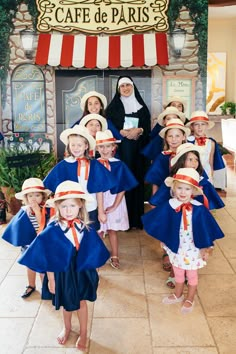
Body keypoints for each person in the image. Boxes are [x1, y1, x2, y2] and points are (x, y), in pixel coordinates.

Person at [18, 181, 110, 350]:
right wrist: (51, 279)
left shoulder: (85, 229)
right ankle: (66, 328)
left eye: (72, 206)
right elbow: (49, 256)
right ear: (58, 207)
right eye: (64, 206)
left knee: (82, 302)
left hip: (81, 272)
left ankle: (83, 333)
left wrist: (94, 271)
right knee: (66, 303)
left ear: (80, 205)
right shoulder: (53, 230)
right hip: (62, 273)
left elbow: (94, 253)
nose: (68, 210)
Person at [142, 168, 224, 313]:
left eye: (187, 189)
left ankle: (190, 298)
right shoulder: (170, 205)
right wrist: (164, 239)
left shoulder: (199, 209)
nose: (183, 192)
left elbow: (207, 230)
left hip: (194, 249)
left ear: (193, 191)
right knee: (178, 271)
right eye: (179, 188)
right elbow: (163, 224)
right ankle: (178, 294)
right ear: (174, 189)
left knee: (191, 275)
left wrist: (208, 248)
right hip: (176, 247)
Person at [149, 143, 225, 289]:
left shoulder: (202, 182)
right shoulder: (174, 181)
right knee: (174, 246)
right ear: (181, 160)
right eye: (190, 159)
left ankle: (190, 274)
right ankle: (174, 273)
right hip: (176, 220)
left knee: (193, 247)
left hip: (194, 221)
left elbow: (207, 204)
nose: (194, 163)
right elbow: (160, 199)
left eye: (196, 160)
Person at [43, 125, 116, 231]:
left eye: (79, 145)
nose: (76, 148)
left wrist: (101, 212)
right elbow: (51, 185)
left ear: (86, 146)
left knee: (90, 236)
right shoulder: (64, 165)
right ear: (68, 145)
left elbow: (99, 190)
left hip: (90, 207)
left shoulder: (94, 165)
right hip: (71, 209)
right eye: (73, 145)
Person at [106, 76, 151, 229]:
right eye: (122, 86)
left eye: (128, 85)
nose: (125, 88)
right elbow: (109, 127)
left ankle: (136, 220)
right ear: (118, 89)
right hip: (122, 152)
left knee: (136, 181)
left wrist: (140, 130)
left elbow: (147, 128)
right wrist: (120, 132)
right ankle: (121, 221)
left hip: (138, 152)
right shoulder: (112, 108)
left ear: (133, 87)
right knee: (124, 181)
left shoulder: (142, 107)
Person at [95, 130, 138, 269]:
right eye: (101, 146)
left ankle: (115, 255)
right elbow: (94, 187)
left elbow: (122, 187)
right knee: (99, 231)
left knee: (112, 230)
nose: (105, 149)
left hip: (114, 200)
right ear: (96, 148)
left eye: (108, 146)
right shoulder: (94, 165)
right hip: (98, 200)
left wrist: (114, 205)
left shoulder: (119, 165)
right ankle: (98, 255)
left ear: (114, 147)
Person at [2, 178, 51, 298]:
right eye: (30, 196)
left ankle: (47, 288)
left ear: (43, 197)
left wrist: (37, 211)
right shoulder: (24, 210)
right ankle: (31, 285)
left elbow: (42, 226)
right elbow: (17, 227)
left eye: (37, 195)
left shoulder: (46, 209)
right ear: (26, 199)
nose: (33, 198)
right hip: (28, 244)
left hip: (41, 244)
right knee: (29, 266)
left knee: (41, 268)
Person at [145, 118, 191, 196]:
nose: (174, 139)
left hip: (186, 195)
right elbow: (155, 181)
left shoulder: (189, 155)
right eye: (170, 136)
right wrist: (154, 199)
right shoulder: (162, 157)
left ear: (183, 137)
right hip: (165, 195)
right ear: (165, 138)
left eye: (177, 136)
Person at [186, 110, 226, 189]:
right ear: (192, 126)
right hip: (192, 173)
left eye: (203, 124)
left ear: (207, 125)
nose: (200, 127)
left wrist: (211, 177)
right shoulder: (188, 141)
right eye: (196, 124)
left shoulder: (211, 143)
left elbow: (210, 162)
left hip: (206, 174)